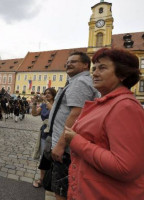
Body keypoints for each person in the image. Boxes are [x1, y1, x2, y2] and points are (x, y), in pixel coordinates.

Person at [63, 48, 144, 200]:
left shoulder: (125, 107)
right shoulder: (109, 102)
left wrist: (76, 141)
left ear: (122, 74)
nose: (94, 73)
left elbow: (126, 167)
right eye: (94, 68)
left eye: (102, 68)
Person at [50, 51, 99, 199]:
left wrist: (60, 145)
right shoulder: (76, 81)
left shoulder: (80, 82)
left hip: (66, 149)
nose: (68, 64)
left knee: (62, 191)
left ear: (85, 65)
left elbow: (76, 114)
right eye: (68, 62)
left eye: (74, 61)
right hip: (65, 145)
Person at [31, 88, 56, 188]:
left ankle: (52, 179)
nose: (47, 95)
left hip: (54, 132)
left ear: (54, 94)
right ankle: (42, 178)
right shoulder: (43, 105)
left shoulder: (56, 103)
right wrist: (34, 102)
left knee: (54, 157)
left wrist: (45, 100)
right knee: (43, 157)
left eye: (49, 93)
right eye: (45, 93)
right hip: (44, 132)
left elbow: (53, 111)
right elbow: (34, 113)